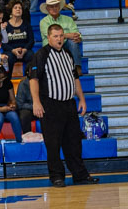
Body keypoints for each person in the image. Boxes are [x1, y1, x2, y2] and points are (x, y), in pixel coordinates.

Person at [29, 24, 98, 187]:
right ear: (48, 37)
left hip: (69, 104)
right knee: (53, 143)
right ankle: (56, 176)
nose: (59, 39)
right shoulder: (41, 55)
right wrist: (36, 102)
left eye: (61, 36)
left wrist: (82, 99)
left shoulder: (68, 54)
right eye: (55, 36)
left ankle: (80, 174)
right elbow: (33, 79)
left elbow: (75, 79)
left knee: (74, 142)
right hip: (50, 105)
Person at [39, 0, 82, 68]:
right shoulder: (43, 22)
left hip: (66, 44)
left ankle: (77, 67)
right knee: (54, 41)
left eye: (56, 6)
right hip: (50, 46)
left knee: (73, 42)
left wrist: (78, 37)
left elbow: (76, 33)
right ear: (48, 9)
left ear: (59, 7)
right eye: (51, 7)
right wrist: (67, 35)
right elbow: (50, 36)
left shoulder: (68, 19)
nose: (54, 8)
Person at [3, 1, 34, 76]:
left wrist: (24, 50)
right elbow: (3, 43)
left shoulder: (27, 24)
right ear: (11, 10)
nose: (18, 9)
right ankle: (7, 80)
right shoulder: (5, 26)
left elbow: (31, 41)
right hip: (10, 51)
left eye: (20, 8)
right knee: (8, 58)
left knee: (31, 56)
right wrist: (13, 50)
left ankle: (29, 79)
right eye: (15, 8)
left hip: (24, 50)